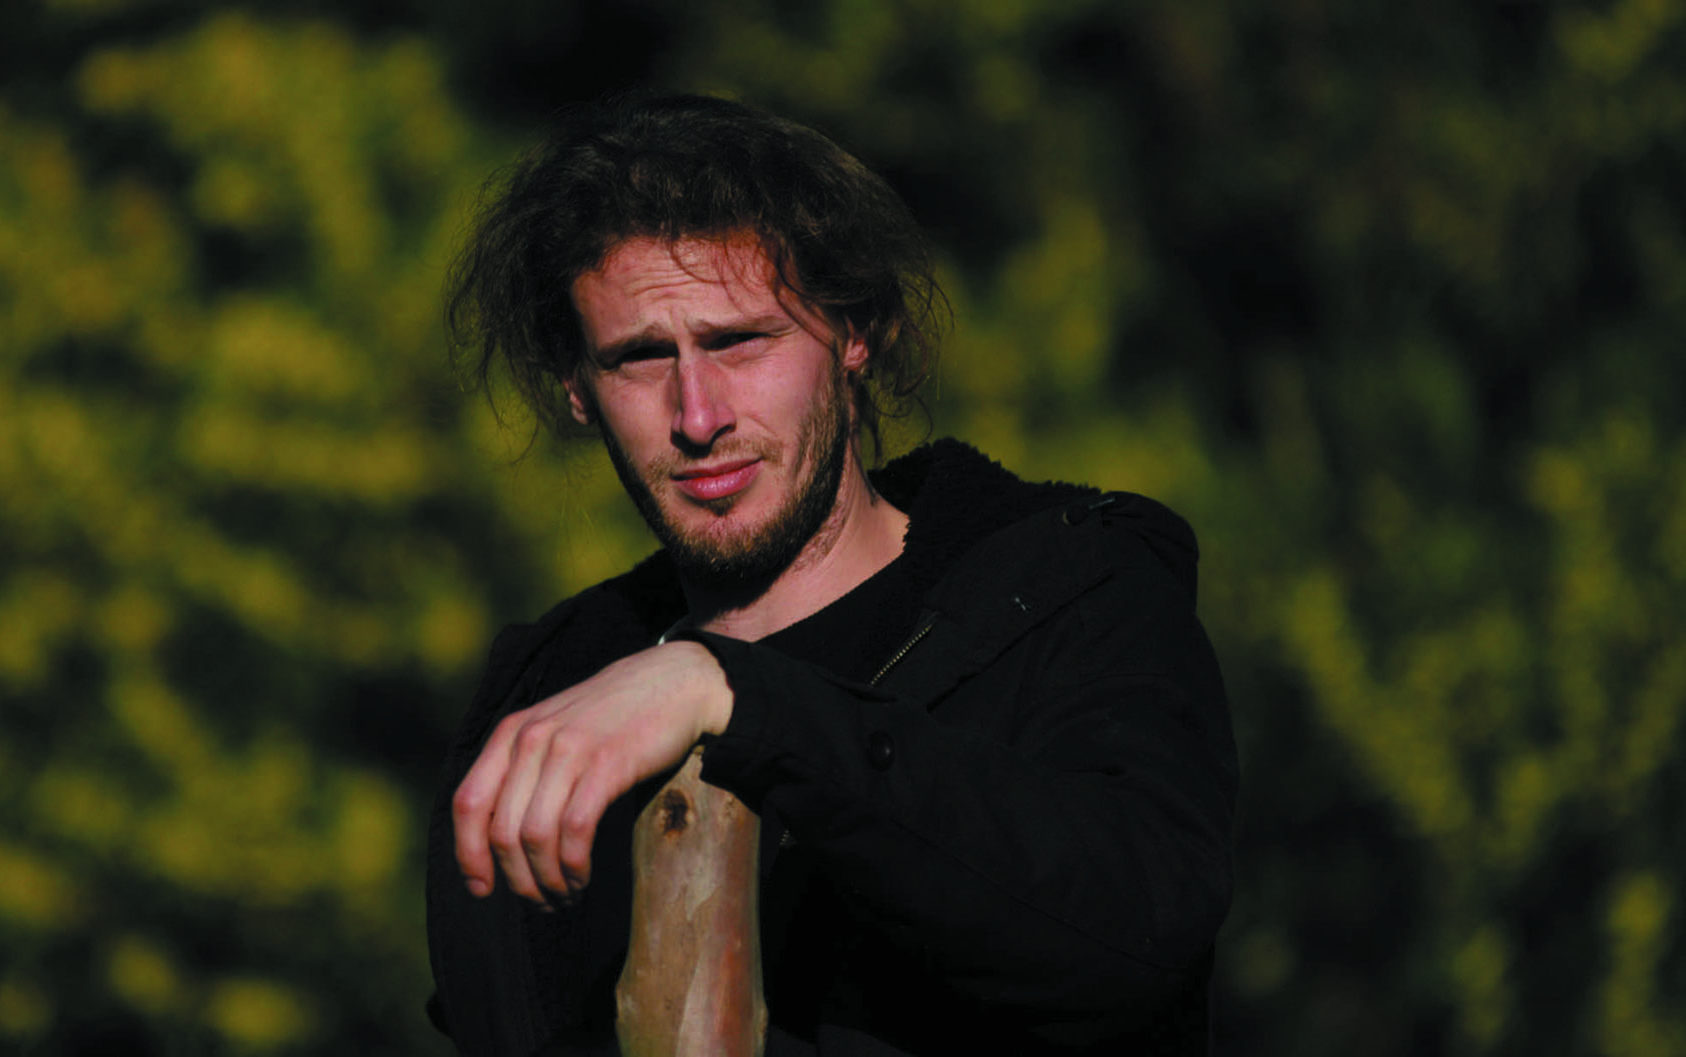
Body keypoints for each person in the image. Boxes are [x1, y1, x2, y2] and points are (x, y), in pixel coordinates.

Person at [424, 91, 1238, 1056]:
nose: (697, 416)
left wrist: (741, 701)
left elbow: (1132, 936)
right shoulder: (542, 698)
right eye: (640, 358)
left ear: (854, 333)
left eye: (739, 341)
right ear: (577, 389)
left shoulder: (1066, 600)